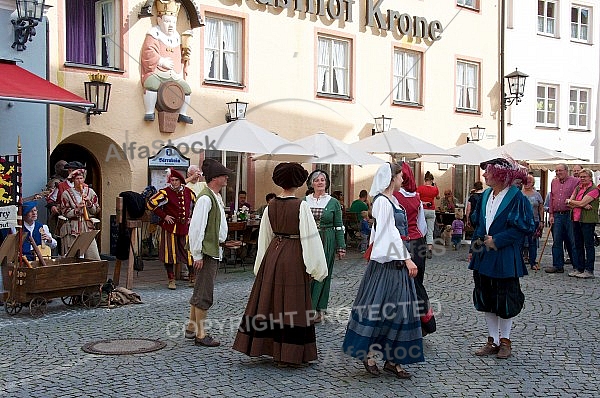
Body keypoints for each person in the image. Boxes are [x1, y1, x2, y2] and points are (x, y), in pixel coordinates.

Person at [233, 163, 328, 366]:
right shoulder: (301, 206)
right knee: (293, 302)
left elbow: (264, 238)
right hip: (293, 256)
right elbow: (310, 237)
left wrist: (261, 265)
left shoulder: (271, 205)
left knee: (271, 301)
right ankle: (289, 354)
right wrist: (316, 267)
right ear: (298, 183)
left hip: (273, 255)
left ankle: (268, 347)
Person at [342, 162, 422, 379]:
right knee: (378, 310)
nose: (403, 179)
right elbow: (389, 233)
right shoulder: (382, 202)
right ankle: (368, 355)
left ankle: (393, 359)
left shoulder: (393, 200)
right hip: (388, 266)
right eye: (400, 176)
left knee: (400, 312)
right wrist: (407, 259)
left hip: (394, 265)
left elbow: (384, 232)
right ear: (391, 178)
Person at [469, 157, 535, 359]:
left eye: (488, 171)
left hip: (505, 254)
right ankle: (493, 340)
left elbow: (524, 227)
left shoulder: (517, 197)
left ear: (500, 175)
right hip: (484, 255)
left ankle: (505, 341)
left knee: (505, 298)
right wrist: (475, 247)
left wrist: (497, 240)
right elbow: (479, 224)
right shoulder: (486, 194)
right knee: (486, 297)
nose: (484, 175)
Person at [186, 159, 233, 347]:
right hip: (206, 252)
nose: (226, 178)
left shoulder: (214, 196)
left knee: (200, 289)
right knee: (204, 293)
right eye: (224, 175)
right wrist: (197, 253)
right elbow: (196, 228)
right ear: (215, 178)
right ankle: (200, 334)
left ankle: (191, 327)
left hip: (212, 249)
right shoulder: (206, 198)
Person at [393, 161, 436, 337]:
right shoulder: (416, 196)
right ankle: (424, 323)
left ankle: (415, 325)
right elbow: (422, 225)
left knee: (402, 286)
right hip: (418, 243)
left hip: (402, 243)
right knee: (417, 282)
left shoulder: (393, 197)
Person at [140, 0, 193, 124]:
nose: (171, 25)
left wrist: (186, 55)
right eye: (167, 21)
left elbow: (181, 57)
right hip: (158, 72)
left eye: (173, 22)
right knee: (151, 84)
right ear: (159, 20)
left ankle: (182, 113)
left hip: (174, 74)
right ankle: (149, 112)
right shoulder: (154, 34)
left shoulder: (177, 37)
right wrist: (161, 61)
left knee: (186, 89)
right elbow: (148, 51)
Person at [305, 169, 346, 323]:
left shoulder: (333, 202)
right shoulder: (304, 201)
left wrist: (341, 246)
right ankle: (306, 307)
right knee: (308, 273)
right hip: (309, 241)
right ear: (312, 183)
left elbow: (339, 226)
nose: (320, 182)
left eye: (323, 179)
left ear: (326, 183)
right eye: (317, 180)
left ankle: (318, 310)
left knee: (323, 275)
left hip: (326, 240)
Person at [147, 167, 196, 289]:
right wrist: (164, 216)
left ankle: (192, 277)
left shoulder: (189, 192)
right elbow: (150, 203)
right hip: (170, 227)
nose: (173, 182)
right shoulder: (165, 192)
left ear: (180, 181)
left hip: (184, 227)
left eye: (176, 180)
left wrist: (192, 218)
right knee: (170, 253)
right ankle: (171, 279)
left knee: (188, 252)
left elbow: (197, 205)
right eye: (172, 180)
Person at [59, 168, 101, 260]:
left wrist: (89, 203)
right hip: (73, 227)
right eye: (77, 179)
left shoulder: (90, 192)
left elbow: (96, 210)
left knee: (93, 255)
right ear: (73, 180)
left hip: (87, 227)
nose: (79, 181)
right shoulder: (66, 194)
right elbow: (65, 212)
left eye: (81, 178)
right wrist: (77, 209)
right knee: (73, 256)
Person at [545, 164, 580, 274]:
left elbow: (579, 196)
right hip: (557, 215)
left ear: (566, 171)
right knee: (557, 241)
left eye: (560, 170)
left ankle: (577, 266)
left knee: (573, 241)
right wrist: (551, 214)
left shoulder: (575, 181)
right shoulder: (553, 182)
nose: (558, 172)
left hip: (570, 214)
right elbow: (552, 199)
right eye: (556, 171)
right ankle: (557, 265)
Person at [567, 168, 598, 279]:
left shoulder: (593, 189)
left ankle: (589, 270)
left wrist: (576, 203)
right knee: (578, 244)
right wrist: (582, 205)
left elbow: (573, 201)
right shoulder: (578, 188)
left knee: (589, 245)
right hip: (576, 219)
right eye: (581, 177)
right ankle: (580, 268)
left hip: (587, 220)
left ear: (590, 177)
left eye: (584, 176)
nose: (582, 178)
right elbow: (569, 203)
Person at [521, 175, 544, 270]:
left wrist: (542, 220)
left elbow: (541, 208)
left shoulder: (537, 194)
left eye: (529, 182)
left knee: (532, 242)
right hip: (521, 221)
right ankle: (519, 261)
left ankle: (532, 262)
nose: (527, 184)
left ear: (533, 183)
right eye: (525, 182)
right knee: (521, 242)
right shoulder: (519, 194)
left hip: (534, 221)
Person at [416, 171, 439, 259]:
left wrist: (424, 202)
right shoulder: (435, 189)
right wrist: (435, 185)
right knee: (430, 231)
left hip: (422, 210)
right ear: (432, 180)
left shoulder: (420, 188)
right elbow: (437, 196)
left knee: (421, 229)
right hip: (431, 210)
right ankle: (429, 249)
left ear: (425, 180)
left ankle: (421, 248)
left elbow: (417, 199)